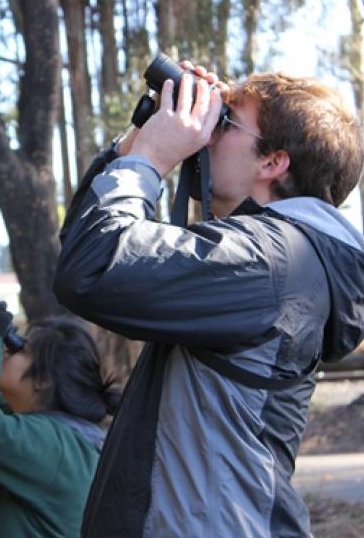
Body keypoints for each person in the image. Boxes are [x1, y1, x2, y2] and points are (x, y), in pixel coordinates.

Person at [53, 64, 364, 537]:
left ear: (272, 162)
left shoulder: (273, 261)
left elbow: (93, 268)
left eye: (226, 122)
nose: (208, 132)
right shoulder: (266, 256)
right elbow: (84, 241)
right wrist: (139, 141)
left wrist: (156, 156)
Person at [0, 295, 116, 537]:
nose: (7, 352)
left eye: (21, 350)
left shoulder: (56, 447)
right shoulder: (51, 435)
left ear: (44, 380)